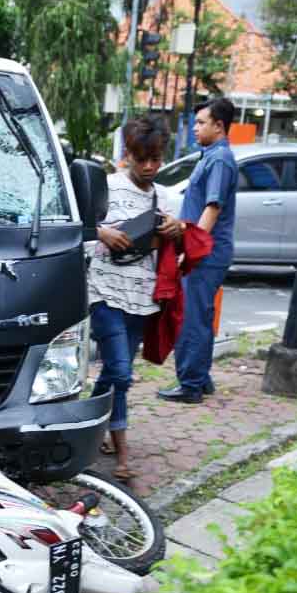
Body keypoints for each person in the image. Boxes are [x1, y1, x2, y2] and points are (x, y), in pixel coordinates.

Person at [88, 117, 183, 480]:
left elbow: (180, 248)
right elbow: (75, 226)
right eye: (141, 158)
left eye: (155, 159)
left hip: (143, 299)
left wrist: (179, 230)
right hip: (105, 292)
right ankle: (123, 449)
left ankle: (94, 427)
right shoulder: (105, 187)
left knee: (114, 372)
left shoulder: (166, 197)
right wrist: (102, 232)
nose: (148, 166)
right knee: (123, 374)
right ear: (127, 154)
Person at [158, 98, 238, 404]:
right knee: (199, 315)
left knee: (192, 317)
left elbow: (212, 208)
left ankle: (190, 384)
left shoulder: (219, 160)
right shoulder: (211, 155)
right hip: (208, 252)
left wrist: (191, 248)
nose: (196, 127)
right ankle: (200, 379)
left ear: (219, 126)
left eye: (202, 122)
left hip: (206, 255)